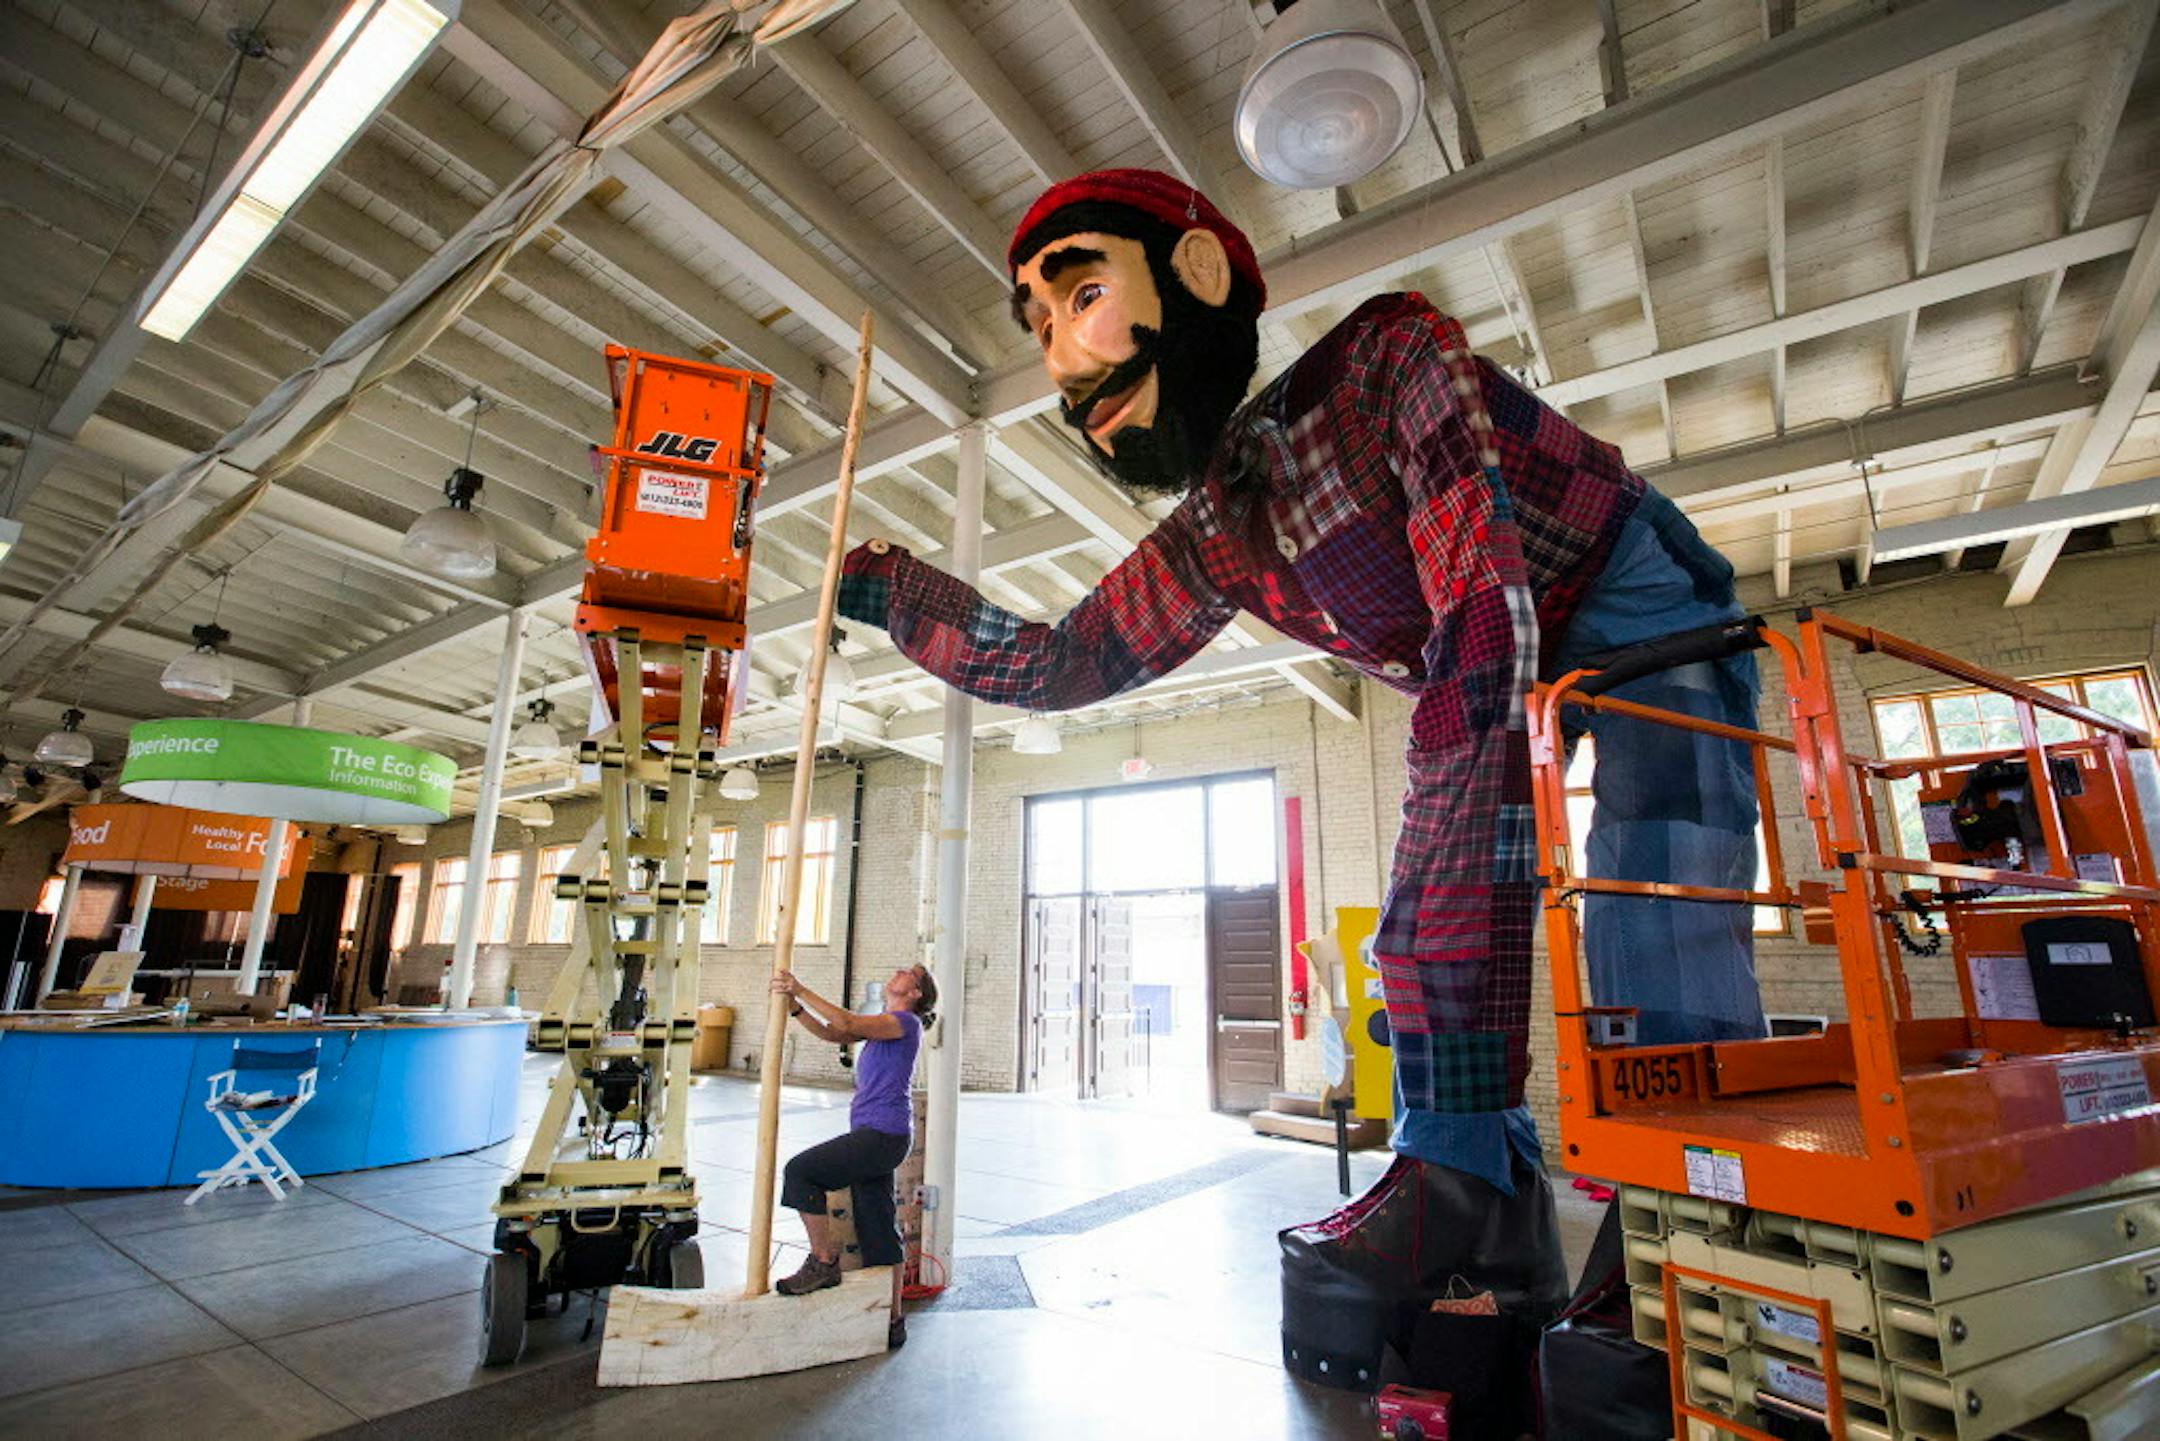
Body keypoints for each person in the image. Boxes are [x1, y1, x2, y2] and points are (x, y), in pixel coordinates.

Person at [836, 169, 1765, 1320]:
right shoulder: (1221, 526)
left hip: (1636, 600)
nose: (1063, 364)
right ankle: (1488, 1195)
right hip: (1501, 626)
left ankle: (1692, 1212)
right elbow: (1065, 660)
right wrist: (891, 592)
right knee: (1458, 877)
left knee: (1653, 892)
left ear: (1199, 274)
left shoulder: (1388, 359)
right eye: (1036, 329)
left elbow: (1487, 620)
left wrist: (1428, 930)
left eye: (1079, 294)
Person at [770, 963, 935, 1333]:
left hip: (882, 1135)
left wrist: (800, 987)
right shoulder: (882, 1023)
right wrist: (796, 1009)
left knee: (801, 1172)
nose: (897, 969)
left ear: (916, 992)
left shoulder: (905, 1024)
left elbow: (845, 1024)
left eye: (908, 971)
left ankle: (824, 1261)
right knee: (877, 1226)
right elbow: (834, 1035)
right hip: (879, 1135)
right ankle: (893, 1319)